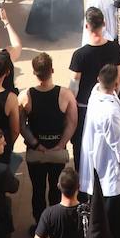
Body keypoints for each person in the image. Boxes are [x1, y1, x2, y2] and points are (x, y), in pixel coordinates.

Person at [78, 64, 120, 238]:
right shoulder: (109, 114)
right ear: (118, 83)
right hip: (109, 165)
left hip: (98, 157)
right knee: (114, 209)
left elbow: (112, 99)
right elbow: (118, 143)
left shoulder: (96, 92)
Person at [19, 52, 78, 224]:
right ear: (52, 70)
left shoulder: (25, 96)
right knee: (56, 188)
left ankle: (40, 226)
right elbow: (72, 123)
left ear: (34, 72)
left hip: (36, 153)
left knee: (38, 190)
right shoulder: (65, 95)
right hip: (57, 153)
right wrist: (61, 144)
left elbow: (22, 125)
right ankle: (56, 223)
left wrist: (36, 144)